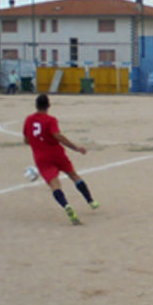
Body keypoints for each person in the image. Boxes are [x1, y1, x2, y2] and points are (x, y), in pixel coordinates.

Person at [23, 94, 98, 225]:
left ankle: (66, 206)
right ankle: (91, 201)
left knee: (54, 184)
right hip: (57, 154)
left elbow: (26, 140)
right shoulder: (50, 120)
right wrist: (75, 147)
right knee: (74, 175)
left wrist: (37, 143)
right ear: (48, 106)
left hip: (41, 158)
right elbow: (57, 135)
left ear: (36, 106)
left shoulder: (29, 120)